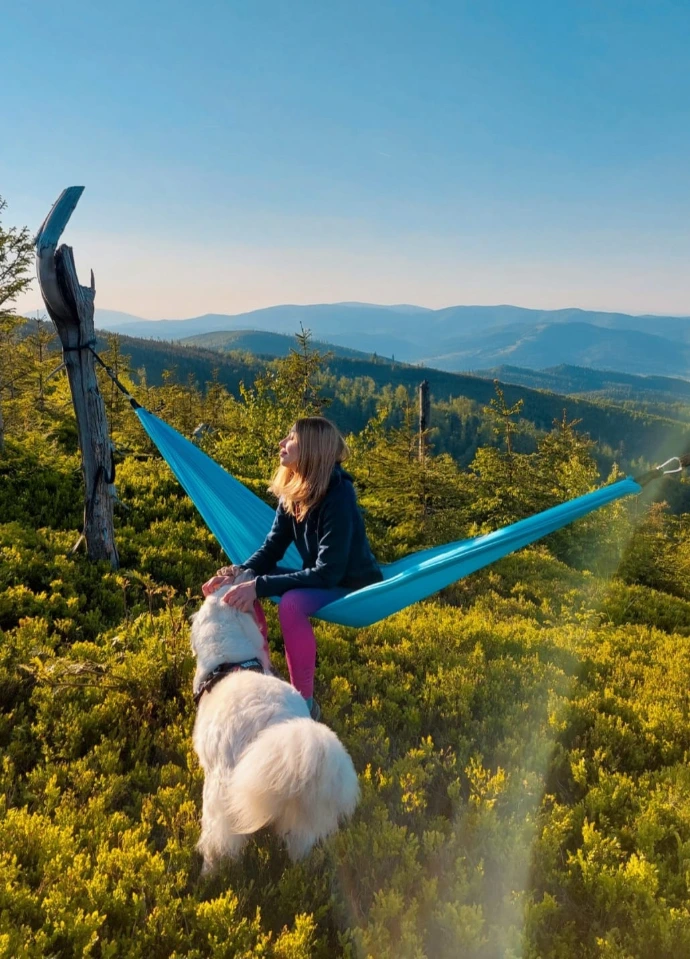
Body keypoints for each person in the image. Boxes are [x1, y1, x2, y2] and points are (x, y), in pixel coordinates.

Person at [202, 416, 382, 720]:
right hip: (323, 576)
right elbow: (273, 547)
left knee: (291, 604)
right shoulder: (294, 492)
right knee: (237, 586)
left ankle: (305, 705)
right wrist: (242, 572)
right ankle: (262, 673)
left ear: (311, 448)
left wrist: (258, 585)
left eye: (291, 438)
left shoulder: (339, 495)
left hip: (349, 584)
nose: (281, 444)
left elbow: (329, 572)